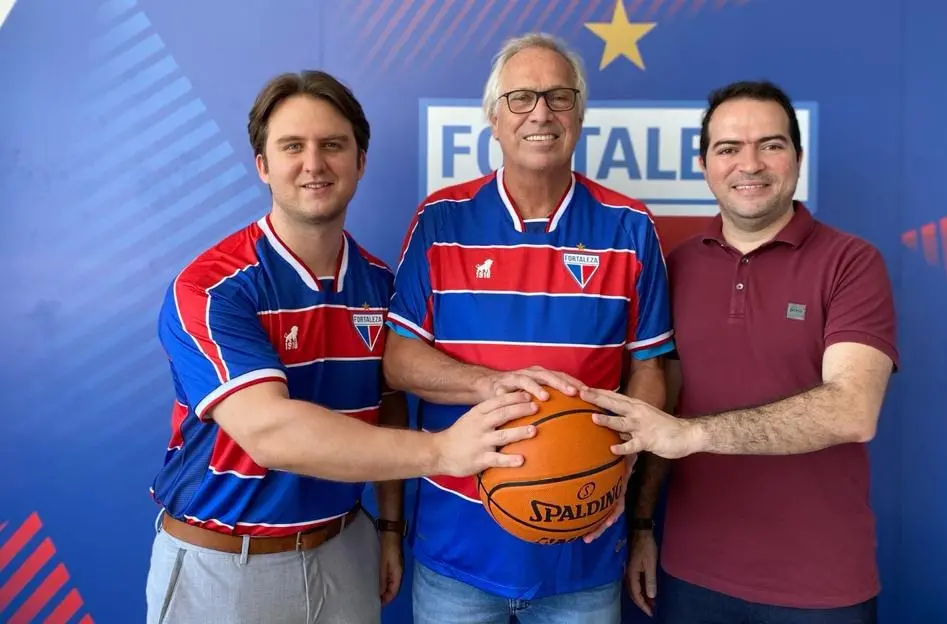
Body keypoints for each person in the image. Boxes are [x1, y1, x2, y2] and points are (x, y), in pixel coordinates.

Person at [145, 70, 540, 624]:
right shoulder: (212, 287)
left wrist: (389, 528)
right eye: (292, 147)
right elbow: (271, 433)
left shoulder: (381, 285)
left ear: (359, 162)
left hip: (345, 549)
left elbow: (390, 406)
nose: (314, 163)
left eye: (333, 145)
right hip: (225, 564)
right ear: (263, 165)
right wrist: (442, 452)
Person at [381, 33, 675, 624]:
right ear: (494, 118)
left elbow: (650, 368)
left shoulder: (630, 226)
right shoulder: (441, 221)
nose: (540, 112)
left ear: (580, 114)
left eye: (558, 96)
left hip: (585, 553)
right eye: (520, 98)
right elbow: (399, 361)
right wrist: (495, 385)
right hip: (457, 550)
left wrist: (620, 465)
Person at [583, 80, 899, 624]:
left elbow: (853, 409)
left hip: (820, 584)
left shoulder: (852, 262)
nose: (749, 164)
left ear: (797, 158)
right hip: (692, 574)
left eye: (770, 145)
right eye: (728, 149)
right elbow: (667, 408)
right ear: (705, 164)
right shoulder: (675, 267)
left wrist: (693, 435)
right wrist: (641, 526)